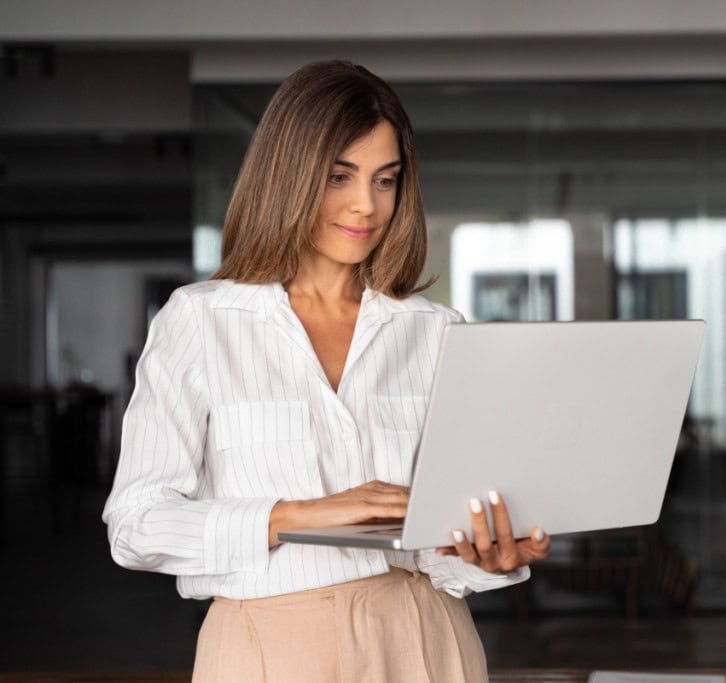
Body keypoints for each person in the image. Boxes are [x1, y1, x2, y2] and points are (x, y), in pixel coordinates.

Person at [102, 60, 550, 682]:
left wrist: (488, 558)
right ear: (288, 175)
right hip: (268, 647)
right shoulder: (200, 322)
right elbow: (137, 525)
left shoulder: (436, 331)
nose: (366, 205)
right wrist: (303, 514)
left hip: (426, 640)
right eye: (340, 176)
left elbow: (437, 552)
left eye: (385, 180)